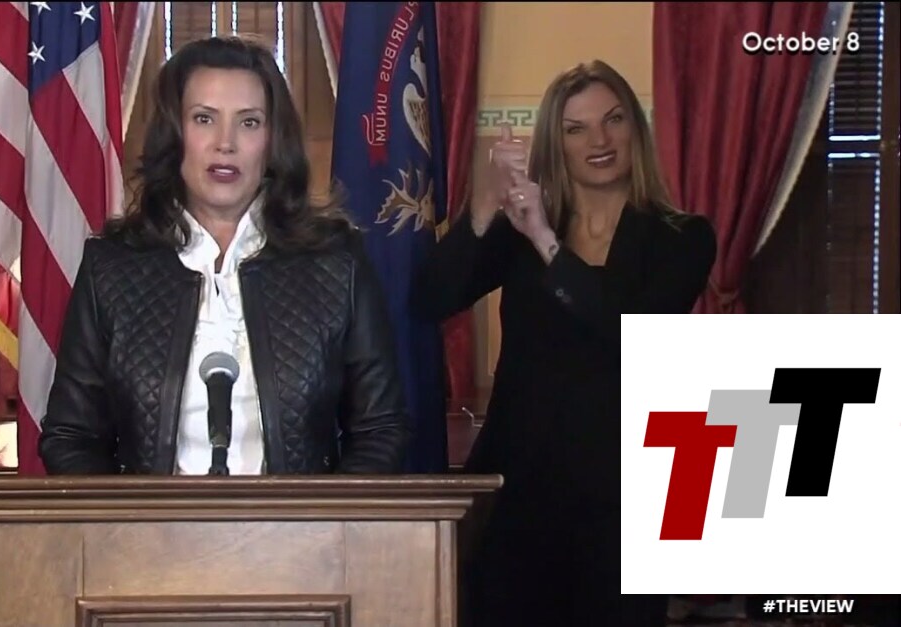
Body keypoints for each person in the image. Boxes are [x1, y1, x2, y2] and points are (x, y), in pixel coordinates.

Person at [412, 60, 717, 625]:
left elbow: (630, 330)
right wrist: (483, 206)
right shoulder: (522, 229)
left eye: (613, 120)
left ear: (635, 129)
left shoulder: (682, 237)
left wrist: (547, 243)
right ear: (557, 143)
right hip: (518, 495)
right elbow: (430, 299)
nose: (599, 141)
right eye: (577, 128)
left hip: (621, 504)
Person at [38, 36, 411, 476]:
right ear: (175, 135)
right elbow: (71, 436)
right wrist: (129, 517)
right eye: (204, 119)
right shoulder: (111, 267)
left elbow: (380, 429)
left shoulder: (336, 261)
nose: (225, 143)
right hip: (147, 521)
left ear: (272, 141)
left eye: (249, 122)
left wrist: (321, 515)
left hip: (300, 521)